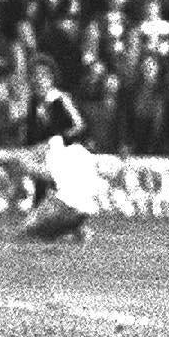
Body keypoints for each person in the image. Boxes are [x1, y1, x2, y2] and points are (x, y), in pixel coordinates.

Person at [19, 52, 101, 243]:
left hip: (66, 154)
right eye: (35, 76)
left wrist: (58, 139)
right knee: (31, 229)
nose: (39, 81)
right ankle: (47, 216)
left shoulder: (61, 99)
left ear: (51, 78)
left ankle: (71, 224)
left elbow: (79, 125)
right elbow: (31, 136)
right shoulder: (33, 104)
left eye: (43, 76)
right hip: (46, 154)